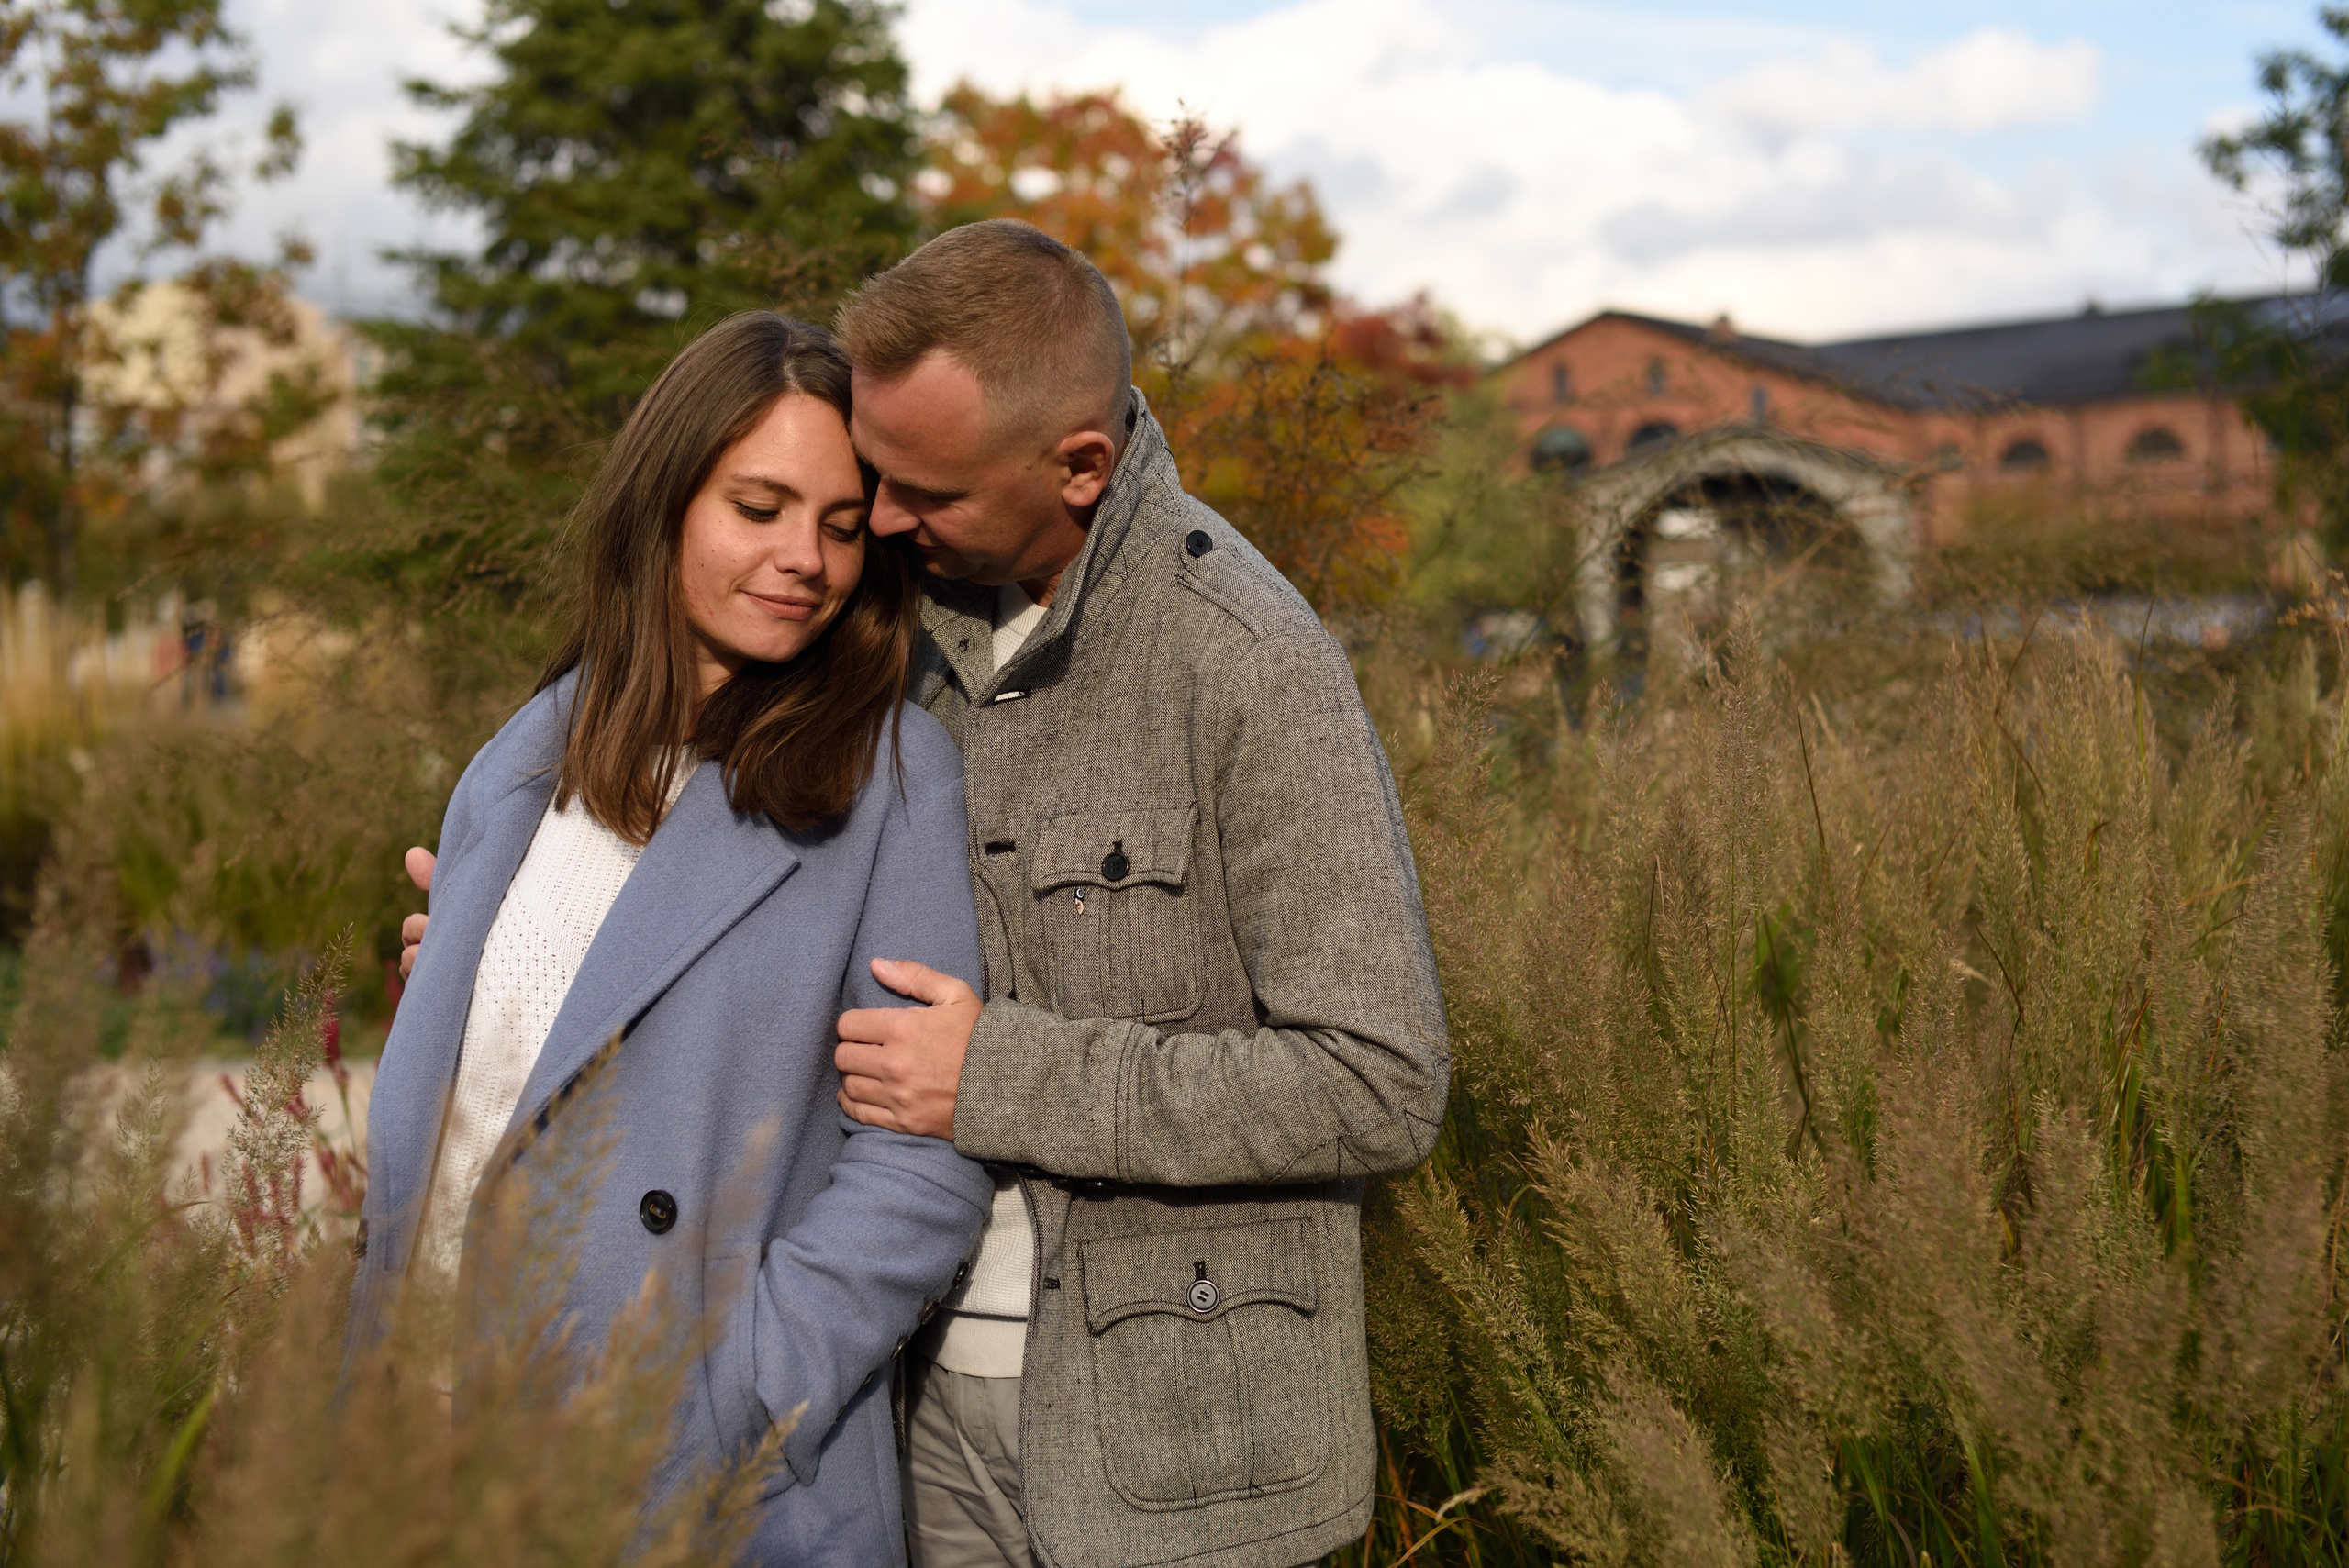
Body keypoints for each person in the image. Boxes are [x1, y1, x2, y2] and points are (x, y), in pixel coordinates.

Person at [402, 223, 1451, 1568]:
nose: (875, 532)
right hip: (919, 1408)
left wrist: (1003, 1076)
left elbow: (1380, 1078)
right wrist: (510, 976)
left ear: (1077, 467)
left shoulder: (1247, 665)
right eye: (864, 489)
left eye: (913, 496)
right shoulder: (919, 623)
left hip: (1171, 1448)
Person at [361, 312, 992, 1567]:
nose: (803, 558)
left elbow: (922, 1160)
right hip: (425, 1410)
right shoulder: (527, 751)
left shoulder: (892, 779)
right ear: (664, 501)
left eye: (840, 523)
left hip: (691, 1467)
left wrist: (731, 1387)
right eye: (758, 506)